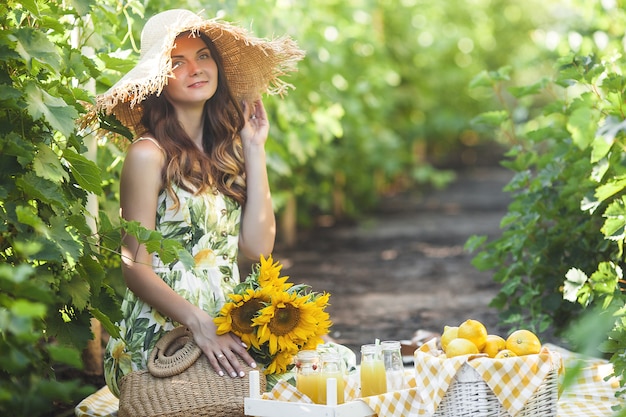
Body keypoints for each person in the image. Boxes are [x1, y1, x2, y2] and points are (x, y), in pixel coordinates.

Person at [95, 9, 304, 397]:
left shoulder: (229, 153)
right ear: (159, 79)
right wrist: (199, 324)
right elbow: (134, 267)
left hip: (226, 320)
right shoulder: (148, 154)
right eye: (177, 62)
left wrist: (254, 147)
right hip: (166, 332)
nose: (195, 68)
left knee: (329, 365)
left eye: (203, 55)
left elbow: (257, 250)